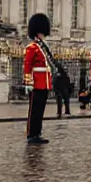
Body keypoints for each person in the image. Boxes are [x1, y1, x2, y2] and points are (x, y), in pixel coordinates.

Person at [22, 13, 55, 145]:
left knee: (40, 110)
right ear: (37, 33)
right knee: (34, 110)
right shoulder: (32, 48)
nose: (43, 35)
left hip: (44, 82)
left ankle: (37, 133)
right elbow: (27, 65)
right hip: (36, 82)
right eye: (42, 33)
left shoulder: (42, 48)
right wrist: (28, 82)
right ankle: (31, 134)